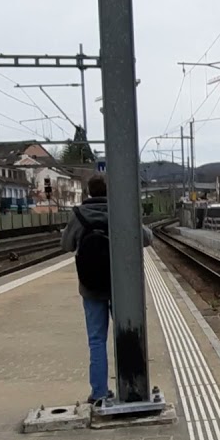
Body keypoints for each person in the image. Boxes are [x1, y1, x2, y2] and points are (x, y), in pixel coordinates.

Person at [60, 174, 152, 405]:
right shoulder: (121, 211)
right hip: (121, 287)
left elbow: (65, 245)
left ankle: (99, 393)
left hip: (91, 287)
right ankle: (131, 389)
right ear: (109, 191)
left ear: (89, 191)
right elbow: (147, 238)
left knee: (96, 340)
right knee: (126, 335)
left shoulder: (78, 215)